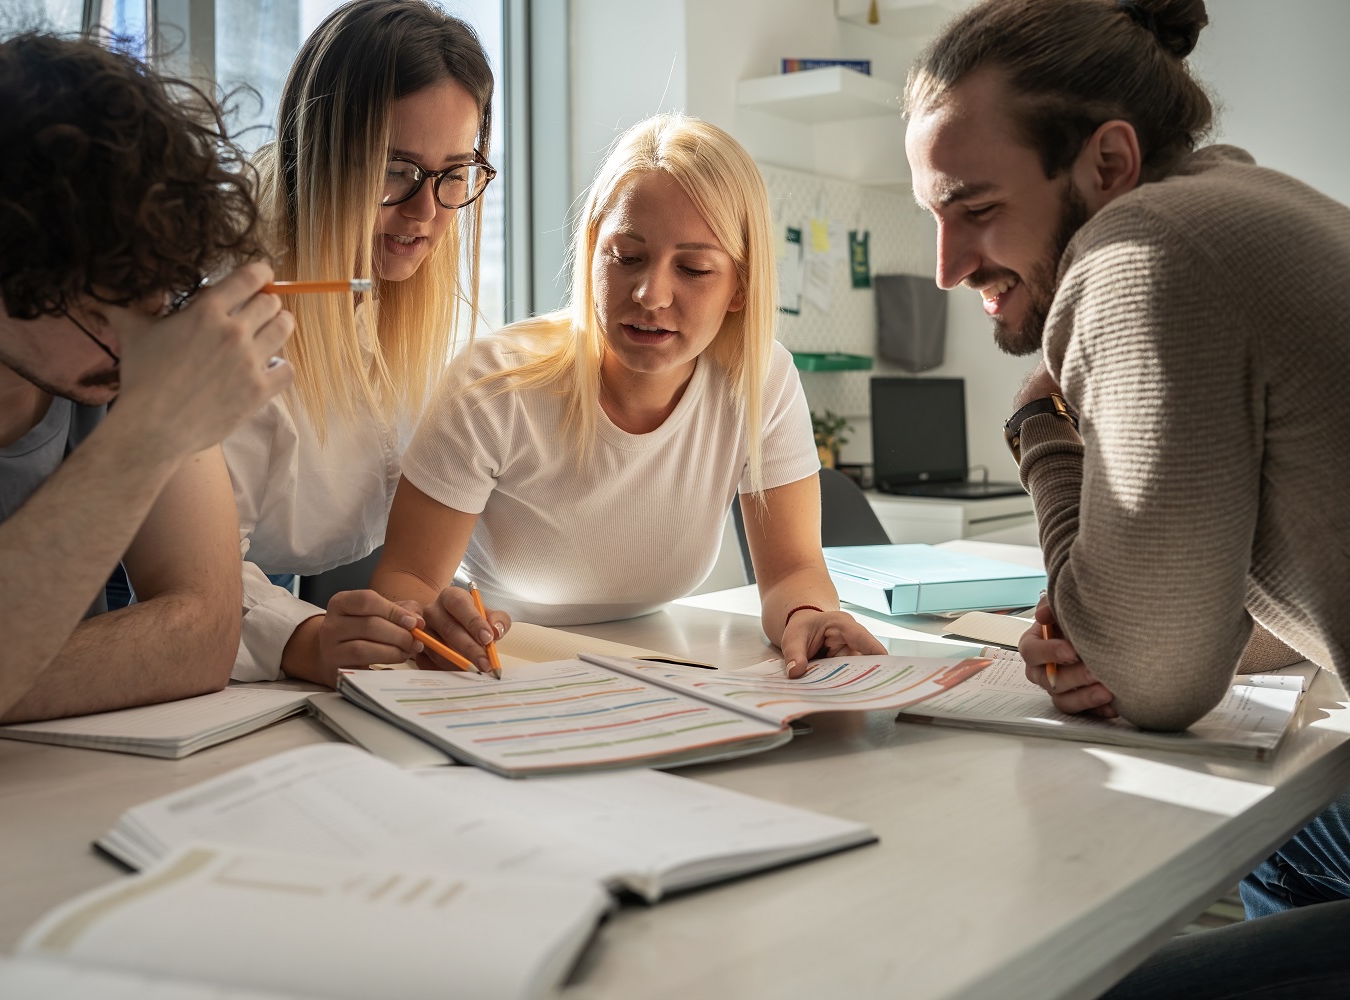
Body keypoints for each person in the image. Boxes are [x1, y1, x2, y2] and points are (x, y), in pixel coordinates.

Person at [901, 0, 1350, 995]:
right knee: (1283, 838)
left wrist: (1040, 427)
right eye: (934, 215)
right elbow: (1253, 600)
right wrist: (1125, 627)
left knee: (1073, 980)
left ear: (1107, 165)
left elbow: (1152, 678)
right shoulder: (1242, 200)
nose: (947, 267)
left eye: (975, 209)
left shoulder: (1144, 250)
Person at [0, 32, 294, 785]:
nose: (148, 338)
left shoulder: (124, 355)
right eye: (105, 308)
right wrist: (155, 431)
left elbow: (203, 635)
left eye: (164, 295)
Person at [371, 113, 886, 673]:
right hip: (506, 666)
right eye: (627, 257)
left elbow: (792, 572)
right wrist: (426, 619)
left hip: (660, 659)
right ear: (591, 255)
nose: (651, 294)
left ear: (740, 287)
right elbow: (407, 580)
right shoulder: (492, 384)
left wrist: (805, 615)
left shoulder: (761, 379)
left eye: (693, 269)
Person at [224, 0, 495, 687]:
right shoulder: (234, 320)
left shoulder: (412, 310)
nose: (426, 211)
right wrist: (308, 640)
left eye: (453, 173)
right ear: (314, 156)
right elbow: (190, 580)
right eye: (393, 169)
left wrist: (430, 600)